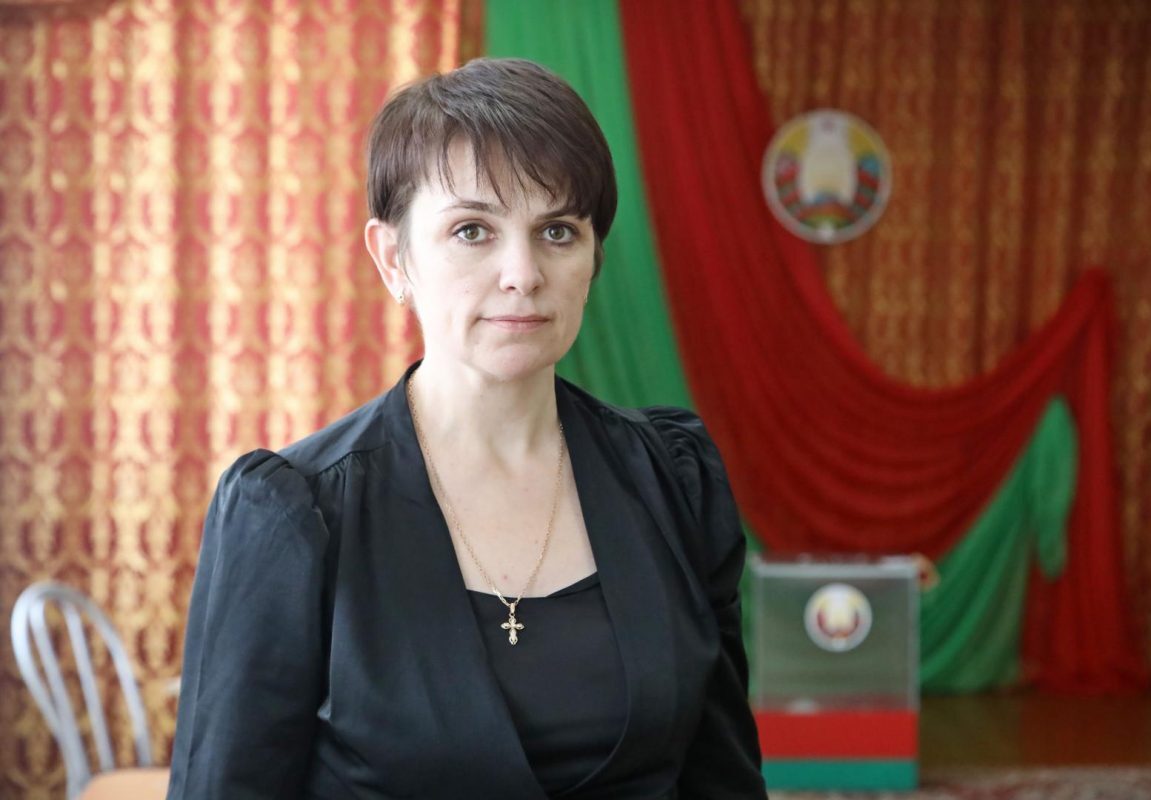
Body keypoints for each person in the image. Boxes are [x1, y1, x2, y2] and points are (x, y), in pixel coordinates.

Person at [167, 57, 767, 800]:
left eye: (557, 231)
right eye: (473, 230)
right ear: (394, 259)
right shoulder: (294, 512)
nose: (523, 273)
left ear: (592, 258)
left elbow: (723, 781)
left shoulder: (674, 479)